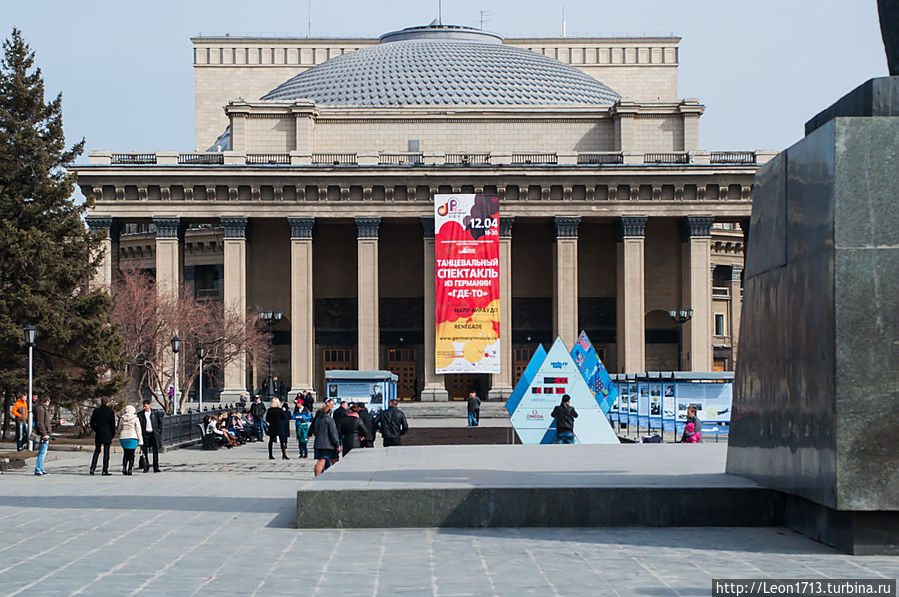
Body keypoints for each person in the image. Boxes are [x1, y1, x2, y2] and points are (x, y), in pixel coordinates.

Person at [310, 402, 339, 476]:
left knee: (321, 461)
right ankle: (335, 476)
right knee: (335, 461)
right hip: (329, 445)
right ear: (329, 412)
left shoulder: (318, 420)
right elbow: (333, 433)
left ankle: (317, 476)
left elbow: (315, 432)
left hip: (319, 443)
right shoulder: (330, 420)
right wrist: (337, 443)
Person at [89, 397, 117, 475]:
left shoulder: (96, 411)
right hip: (107, 434)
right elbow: (112, 425)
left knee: (97, 451)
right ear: (108, 403)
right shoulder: (110, 412)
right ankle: (105, 470)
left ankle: (92, 468)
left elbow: (91, 423)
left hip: (99, 433)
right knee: (106, 453)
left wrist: (96, 429)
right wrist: (112, 434)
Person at [137, 398, 164, 473]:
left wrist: (159, 430)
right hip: (145, 434)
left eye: (146, 406)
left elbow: (160, 422)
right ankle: (146, 466)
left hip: (153, 433)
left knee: (155, 451)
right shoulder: (140, 414)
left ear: (149, 405)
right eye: (144, 406)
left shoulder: (155, 413)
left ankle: (156, 467)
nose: (144, 407)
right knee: (145, 451)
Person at [116, 404, 143, 475]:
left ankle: (124, 468)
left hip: (123, 437)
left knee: (125, 453)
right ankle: (130, 469)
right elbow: (138, 429)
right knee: (132, 454)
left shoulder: (122, 418)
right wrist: (140, 440)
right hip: (132, 437)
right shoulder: (135, 418)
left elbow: (119, 428)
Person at [33, 396, 52, 475]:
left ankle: (41, 468)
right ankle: (38, 469)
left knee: (43, 452)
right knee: (42, 452)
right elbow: (40, 423)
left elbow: (47, 421)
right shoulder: (40, 409)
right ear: (47, 401)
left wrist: (58, 422)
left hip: (46, 433)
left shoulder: (44, 409)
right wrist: (44, 434)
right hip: (42, 434)